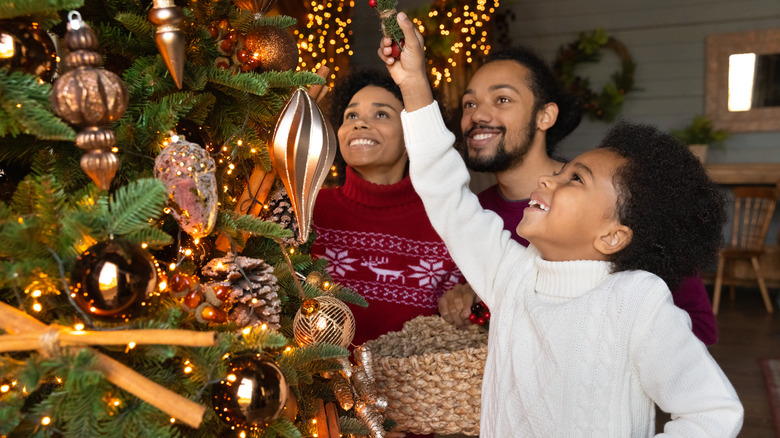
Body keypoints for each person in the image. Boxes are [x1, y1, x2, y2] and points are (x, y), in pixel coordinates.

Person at [378, 13, 743, 436]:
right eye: (563, 172)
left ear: (612, 235)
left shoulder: (635, 302)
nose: (551, 178)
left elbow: (713, 412)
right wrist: (413, 86)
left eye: (576, 179)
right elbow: (444, 192)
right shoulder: (511, 275)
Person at [439, 45, 719, 345]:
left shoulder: (617, 203)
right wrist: (470, 302)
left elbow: (699, 330)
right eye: (469, 104)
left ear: (544, 115)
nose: (477, 115)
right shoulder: (473, 214)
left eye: (502, 99)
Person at [310, 69, 464, 347]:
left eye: (381, 114)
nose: (360, 124)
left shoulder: (446, 219)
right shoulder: (310, 210)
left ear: (412, 136)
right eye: (351, 116)